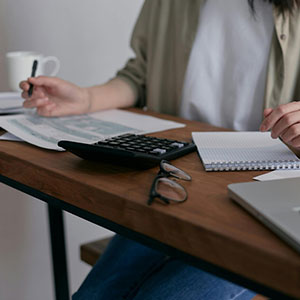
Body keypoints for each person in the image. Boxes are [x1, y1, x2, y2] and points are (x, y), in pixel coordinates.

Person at [20, 0, 300, 299]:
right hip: (175, 184)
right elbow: (140, 75)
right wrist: (85, 99)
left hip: (265, 200)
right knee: (92, 295)